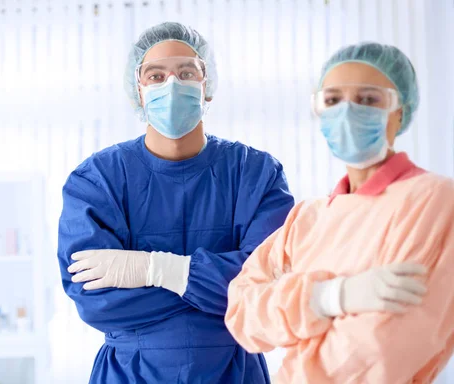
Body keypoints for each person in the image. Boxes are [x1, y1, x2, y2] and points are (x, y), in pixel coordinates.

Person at [57, 22, 294, 383]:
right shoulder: (98, 179)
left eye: (186, 72)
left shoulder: (255, 173)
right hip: (130, 373)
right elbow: (95, 300)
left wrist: (158, 271)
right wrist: (223, 286)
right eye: (155, 75)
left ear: (207, 87)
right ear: (137, 91)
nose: (171, 85)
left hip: (233, 371)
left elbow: (271, 288)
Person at [225, 42, 454, 383]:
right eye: (332, 100)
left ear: (400, 112)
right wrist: (329, 298)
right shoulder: (308, 217)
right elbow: (243, 315)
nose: (347, 112)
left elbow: (384, 347)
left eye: (368, 99)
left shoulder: (433, 200)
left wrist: (293, 327)